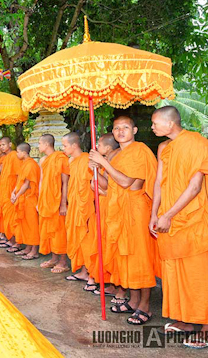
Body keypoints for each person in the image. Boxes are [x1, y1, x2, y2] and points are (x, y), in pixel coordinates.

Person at [150, 106, 208, 347]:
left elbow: (194, 187)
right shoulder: (166, 148)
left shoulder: (196, 143)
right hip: (167, 220)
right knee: (175, 274)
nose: (152, 127)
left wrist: (169, 215)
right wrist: (154, 214)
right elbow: (159, 183)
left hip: (191, 220)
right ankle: (185, 320)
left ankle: (207, 329)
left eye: (155, 123)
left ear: (170, 123)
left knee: (197, 275)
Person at [89, 117, 157, 325]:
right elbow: (109, 185)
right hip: (118, 210)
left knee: (140, 258)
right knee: (125, 257)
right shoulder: (116, 155)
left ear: (134, 130)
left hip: (136, 210)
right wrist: (95, 170)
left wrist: (103, 163)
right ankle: (133, 300)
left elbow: (126, 182)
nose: (120, 131)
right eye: (117, 128)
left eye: (125, 127)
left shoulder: (140, 150)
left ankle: (145, 305)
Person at [86, 133, 120, 299]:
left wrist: (98, 170)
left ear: (107, 147)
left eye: (99, 145)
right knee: (104, 245)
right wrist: (95, 170)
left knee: (113, 247)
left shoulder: (117, 158)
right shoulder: (108, 160)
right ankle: (110, 282)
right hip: (105, 207)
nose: (97, 148)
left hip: (115, 208)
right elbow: (103, 185)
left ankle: (118, 288)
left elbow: (107, 187)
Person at [61, 132, 94, 284]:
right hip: (75, 205)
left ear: (74, 145)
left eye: (65, 146)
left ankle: (92, 274)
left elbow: (91, 184)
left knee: (87, 240)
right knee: (78, 239)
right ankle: (84, 271)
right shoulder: (72, 161)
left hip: (86, 207)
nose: (63, 149)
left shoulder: (87, 159)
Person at [37, 134, 70, 273]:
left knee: (59, 232)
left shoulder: (61, 158)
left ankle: (63, 262)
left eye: (39, 143)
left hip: (57, 201)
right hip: (46, 201)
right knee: (48, 231)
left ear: (46, 144)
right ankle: (54, 258)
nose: (38, 146)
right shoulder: (43, 160)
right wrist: (39, 200)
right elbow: (41, 181)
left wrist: (63, 204)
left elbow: (65, 182)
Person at [10, 143, 41, 260]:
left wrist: (16, 195)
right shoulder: (24, 164)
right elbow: (20, 181)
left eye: (18, 152)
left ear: (23, 152)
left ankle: (34, 251)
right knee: (25, 225)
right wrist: (13, 192)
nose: (17, 154)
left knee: (32, 225)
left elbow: (27, 184)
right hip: (23, 198)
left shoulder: (31, 165)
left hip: (30, 198)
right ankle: (28, 247)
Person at [0, 138, 22, 252]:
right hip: (5, 191)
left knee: (12, 218)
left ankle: (16, 242)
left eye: (3, 144)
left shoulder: (14, 156)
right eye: (0, 145)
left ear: (10, 144)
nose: (1, 147)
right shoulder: (6, 157)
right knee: (7, 217)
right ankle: (10, 239)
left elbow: (19, 175)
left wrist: (15, 191)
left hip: (11, 192)